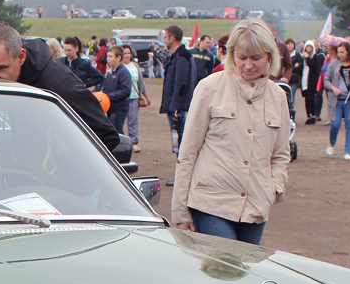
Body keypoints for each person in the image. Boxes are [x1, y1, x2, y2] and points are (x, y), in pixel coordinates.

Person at [171, 19, 291, 245]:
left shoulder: (278, 97)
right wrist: (180, 211)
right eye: (241, 57)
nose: (248, 65)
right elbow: (187, 152)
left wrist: (273, 189)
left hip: (256, 204)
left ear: (270, 56)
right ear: (231, 54)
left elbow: (281, 154)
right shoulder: (209, 87)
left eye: (256, 58)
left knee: (244, 273)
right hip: (210, 201)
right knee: (225, 270)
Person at [0, 22, 121, 156]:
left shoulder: (57, 83)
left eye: (0, 68)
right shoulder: (6, 81)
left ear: (21, 57)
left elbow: (106, 136)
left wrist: (66, 170)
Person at [324, 42, 350, 159]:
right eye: (338, 52)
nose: (340, 54)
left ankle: (347, 151)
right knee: (335, 124)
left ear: (348, 52)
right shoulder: (334, 64)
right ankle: (332, 143)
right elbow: (326, 80)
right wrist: (333, 88)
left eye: (342, 52)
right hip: (336, 100)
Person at [160, 25, 194, 157]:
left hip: (177, 108)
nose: (164, 40)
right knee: (177, 141)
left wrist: (174, 107)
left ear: (172, 38)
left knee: (180, 141)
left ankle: (182, 173)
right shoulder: (177, 56)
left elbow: (181, 83)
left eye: (165, 37)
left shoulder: (182, 56)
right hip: (175, 105)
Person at [122, 45, 150, 151]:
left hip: (133, 97)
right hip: (121, 98)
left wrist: (147, 97)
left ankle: (133, 142)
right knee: (119, 120)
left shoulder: (135, 66)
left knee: (133, 120)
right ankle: (121, 142)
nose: (127, 55)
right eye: (125, 53)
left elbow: (141, 82)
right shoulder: (119, 66)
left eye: (129, 53)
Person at [101, 45, 132, 135]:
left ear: (118, 58)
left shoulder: (123, 72)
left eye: (110, 56)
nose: (108, 59)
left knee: (116, 132)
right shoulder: (111, 71)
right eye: (107, 56)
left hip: (119, 108)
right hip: (111, 107)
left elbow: (126, 90)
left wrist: (108, 96)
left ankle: (123, 147)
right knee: (113, 130)